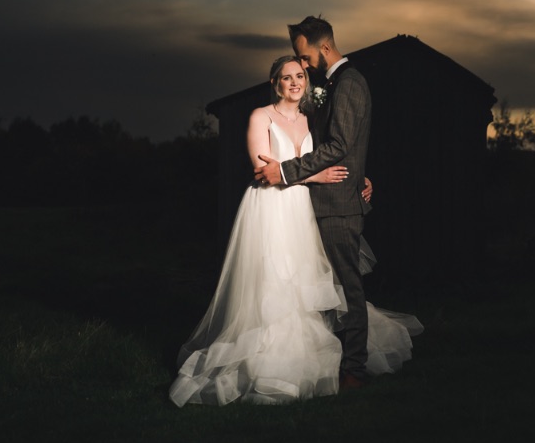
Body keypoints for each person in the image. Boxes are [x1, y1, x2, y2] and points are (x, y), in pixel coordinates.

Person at [170, 55, 420, 407]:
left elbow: (334, 154)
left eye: (299, 75)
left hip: (303, 209)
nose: (294, 82)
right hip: (271, 208)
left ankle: (309, 358)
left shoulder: (313, 119)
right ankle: (268, 364)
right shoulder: (261, 116)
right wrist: (314, 176)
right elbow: (263, 170)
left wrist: (359, 178)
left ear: (306, 80)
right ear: (275, 83)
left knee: (304, 285)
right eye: (286, 77)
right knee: (274, 283)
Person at [255, 16, 378, 390]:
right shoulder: (334, 84)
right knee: (323, 290)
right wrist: (360, 175)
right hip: (323, 202)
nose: (304, 67)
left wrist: (288, 172)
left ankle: (354, 369)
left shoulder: (350, 84)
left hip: (338, 205)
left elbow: (340, 146)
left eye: (305, 58)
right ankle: (325, 359)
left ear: (325, 48)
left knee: (347, 289)